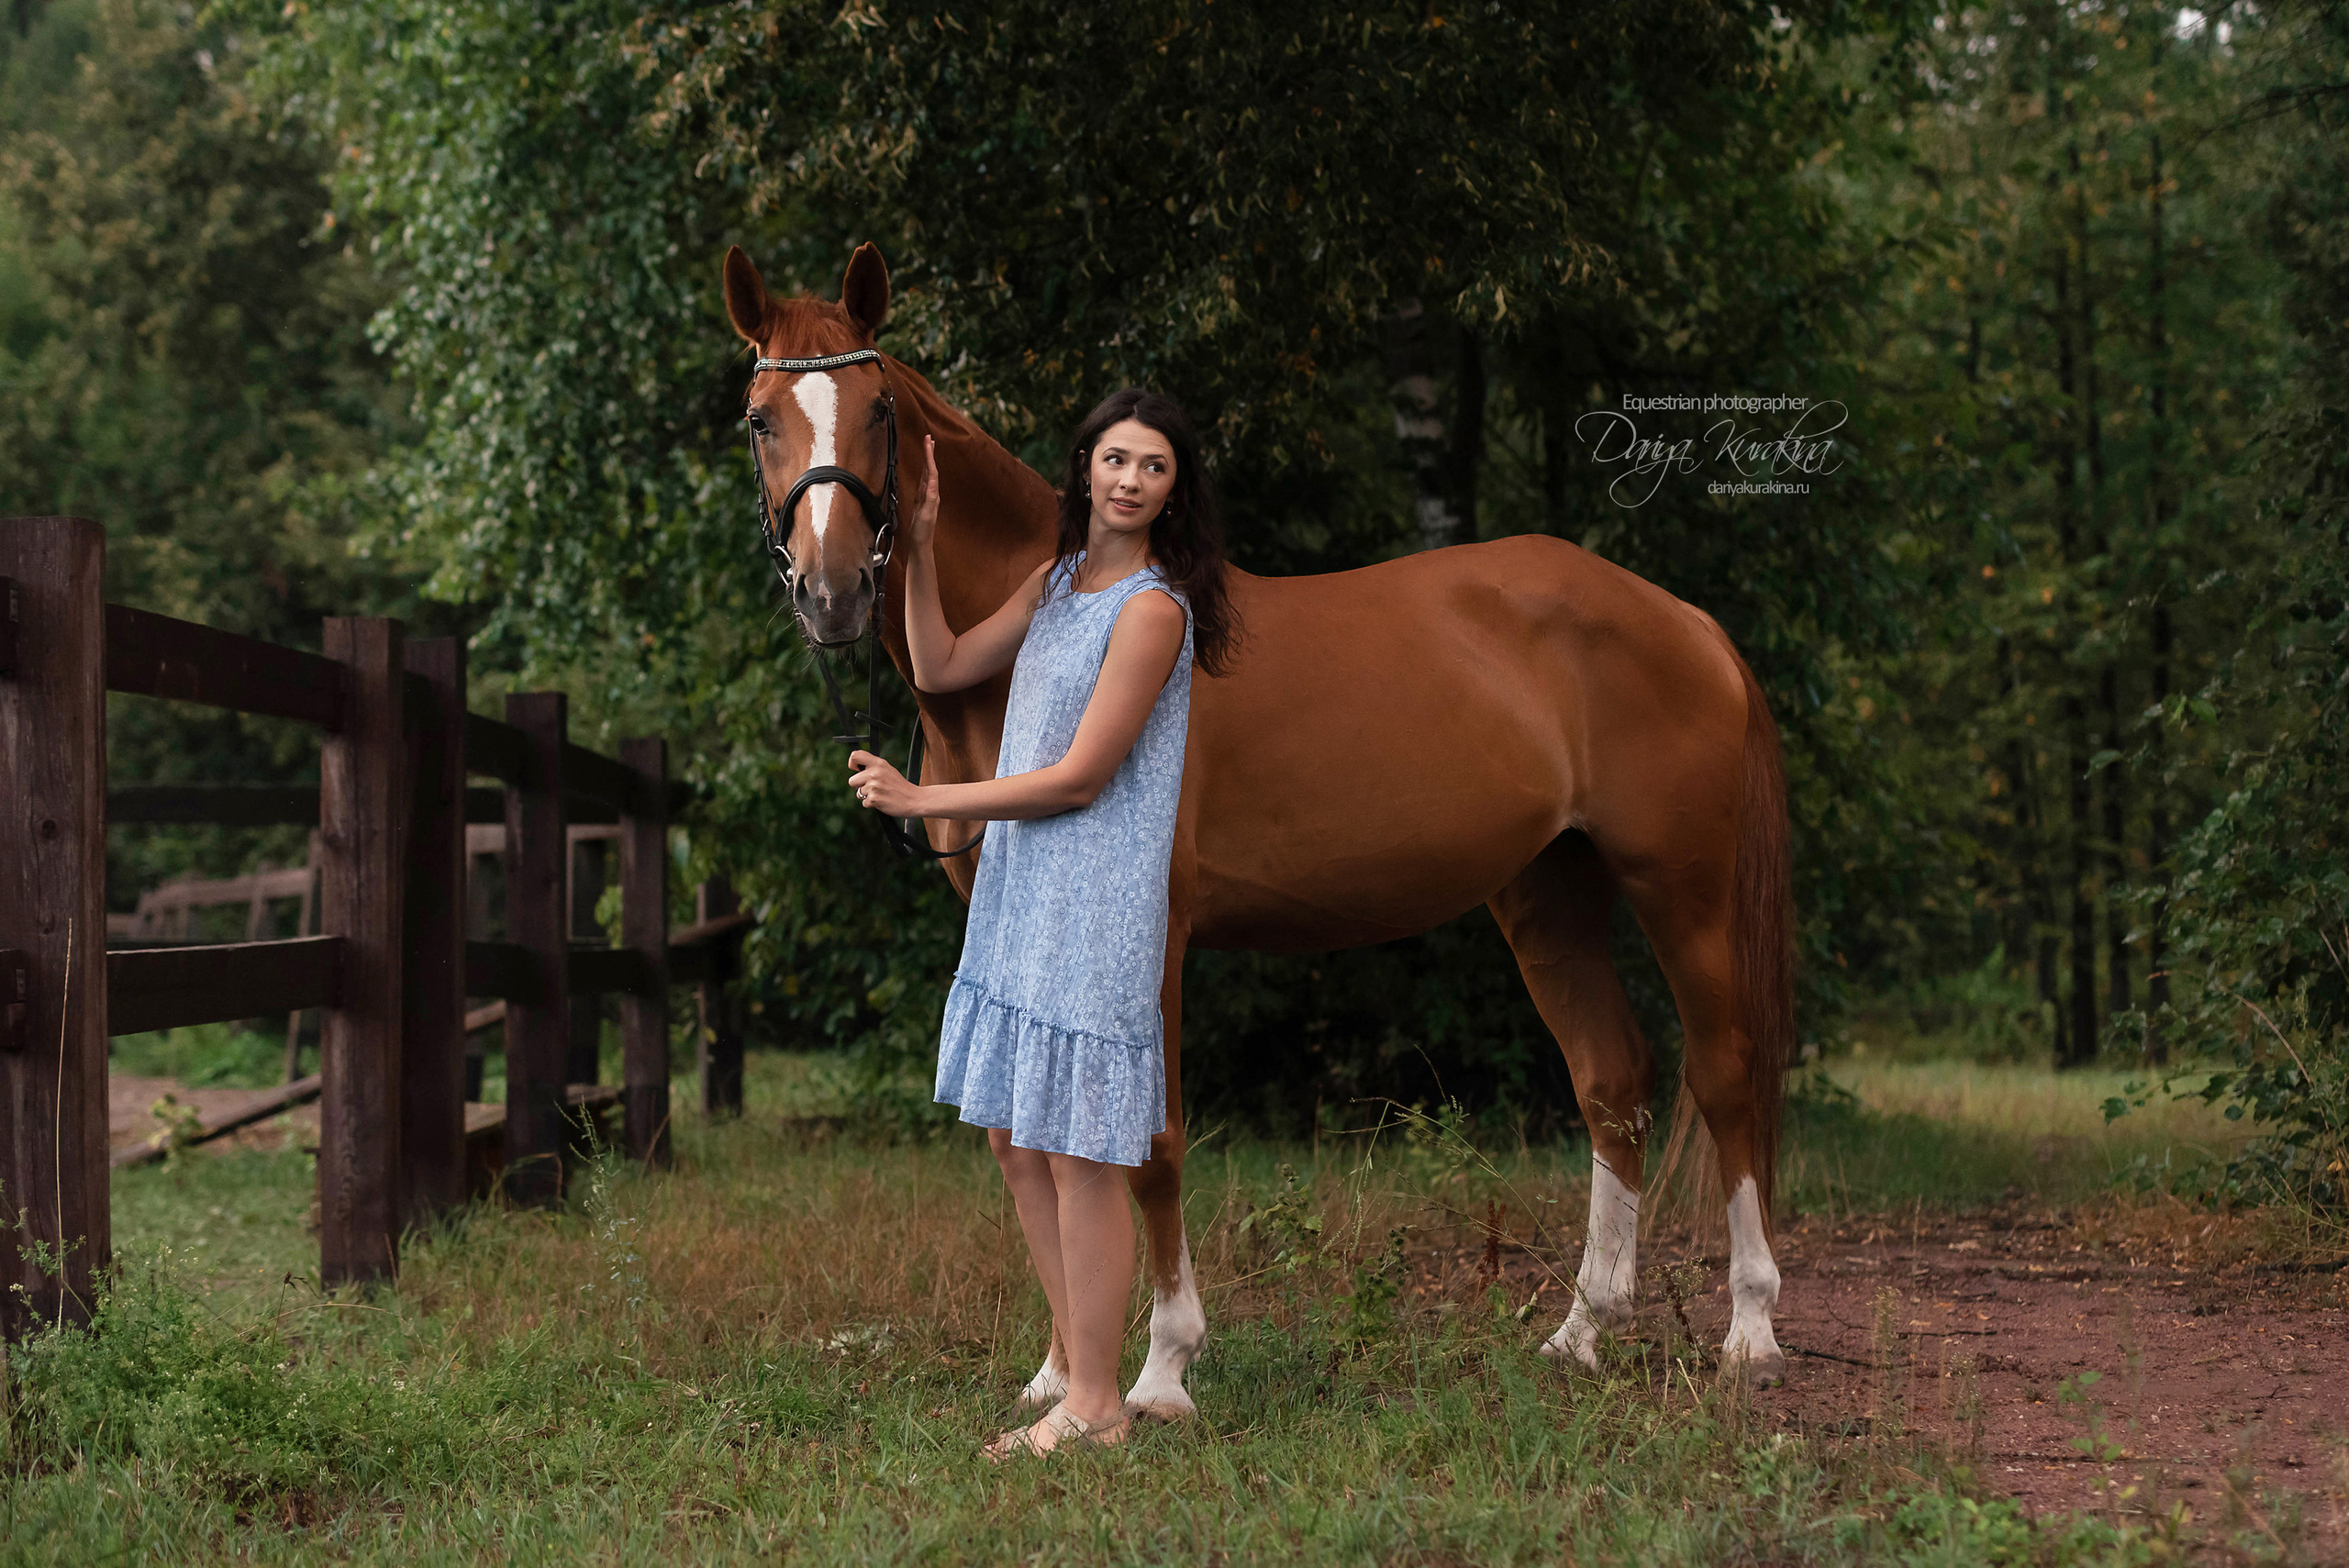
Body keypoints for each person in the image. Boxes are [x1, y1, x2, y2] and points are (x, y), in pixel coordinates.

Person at [846, 387, 1238, 1458]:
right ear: (1084, 468)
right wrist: (920, 546)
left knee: (1077, 1146)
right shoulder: (1058, 581)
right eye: (1115, 458)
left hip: (1094, 895)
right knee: (1014, 1132)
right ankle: (1080, 1371)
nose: (1129, 479)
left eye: (1153, 465)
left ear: (1174, 491)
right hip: (1022, 886)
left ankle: (1097, 1402)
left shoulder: (1153, 609)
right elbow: (939, 664)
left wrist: (925, 799)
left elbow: (1078, 777)